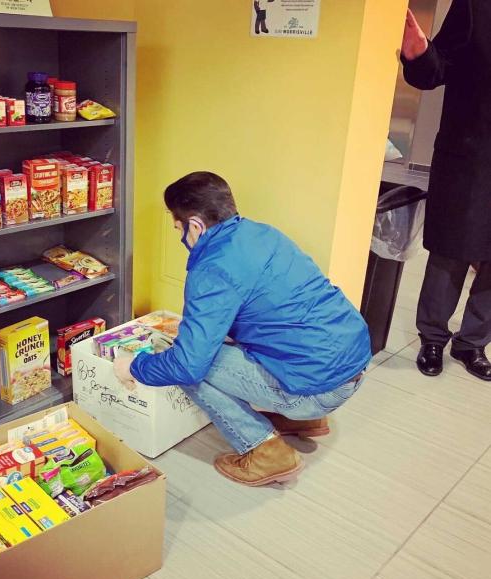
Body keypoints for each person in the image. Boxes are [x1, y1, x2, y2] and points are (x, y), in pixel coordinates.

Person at [113, 172, 371, 486]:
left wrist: (133, 367)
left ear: (195, 225)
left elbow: (187, 366)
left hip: (319, 388)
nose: (179, 235)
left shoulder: (211, 268)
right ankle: (303, 420)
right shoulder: (262, 234)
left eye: (177, 227)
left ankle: (266, 451)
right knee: (204, 349)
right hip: (352, 360)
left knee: (186, 363)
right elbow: (269, 307)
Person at [401, 3, 491, 381]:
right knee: (451, 248)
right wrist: (418, 52)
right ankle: (433, 336)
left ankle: (472, 343)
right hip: (472, 154)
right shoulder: (476, 5)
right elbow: (438, 68)